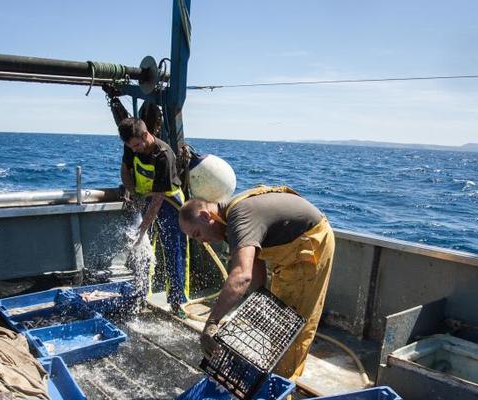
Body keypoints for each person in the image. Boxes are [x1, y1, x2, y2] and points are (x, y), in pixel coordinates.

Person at [178, 186, 335, 380]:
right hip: (288, 256)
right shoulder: (228, 219)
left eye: (197, 234)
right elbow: (255, 269)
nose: (202, 242)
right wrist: (257, 308)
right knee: (277, 318)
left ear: (205, 216)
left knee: (292, 328)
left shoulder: (239, 218)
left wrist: (212, 322)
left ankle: (279, 394)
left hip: (309, 249)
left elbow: (242, 276)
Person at [118, 117, 188, 314]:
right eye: (130, 146)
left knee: (173, 250)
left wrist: (143, 229)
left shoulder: (163, 155)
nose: (134, 150)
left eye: (136, 145)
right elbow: (125, 170)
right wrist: (132, 191)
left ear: (146, 135)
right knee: (144, 252)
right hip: (145, 198)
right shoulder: (131, 146)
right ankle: (141, 296)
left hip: (169, 203)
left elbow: (158, 199)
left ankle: (177, 303)